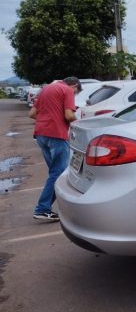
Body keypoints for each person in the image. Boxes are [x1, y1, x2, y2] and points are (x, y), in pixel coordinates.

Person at [29, 76, 80, 221]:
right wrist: (81, 123)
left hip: (41, 134)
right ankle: (42, 208)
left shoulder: (46, 89)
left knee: (55, 172)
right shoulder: (67, 90)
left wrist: (48, 119)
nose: (74, 95)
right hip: (56, 135)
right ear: (74, 86)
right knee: (58, 173)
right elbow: (69, 115)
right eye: (76, 93)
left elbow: (32, 114)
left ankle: (46, 207)